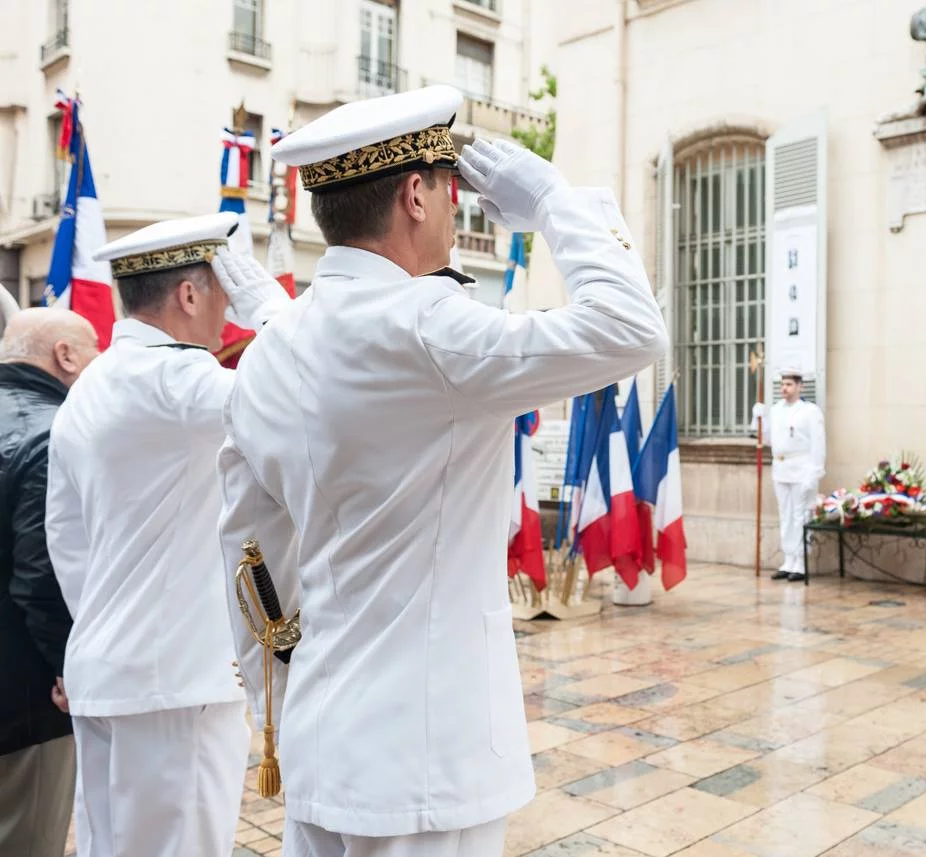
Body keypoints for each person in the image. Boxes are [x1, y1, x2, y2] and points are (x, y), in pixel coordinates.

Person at [216, 84, 668, 857]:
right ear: (415, 195)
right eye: (449, 190)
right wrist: (557, 201)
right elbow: (631, 329)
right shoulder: (428, 325)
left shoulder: (275, 348)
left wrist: (286, 691)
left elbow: (250, 556)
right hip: (425, 759)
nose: (458, 212)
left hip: (324, 737)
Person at [44, 212, 290, 857]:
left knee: (110, 846)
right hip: (173, 680)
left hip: (106, 666)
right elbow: (309, 397)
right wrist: (274, 310)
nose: (227, 314)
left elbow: (66, 542)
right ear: (189, 294)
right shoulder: (178, 376)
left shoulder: (92, 383)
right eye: (223, 291)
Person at [0, 307, 98, 857]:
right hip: (25, 702)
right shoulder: (51, 434)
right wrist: (71, 667)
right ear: (65, 356)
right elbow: (42, 581)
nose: (98, 365)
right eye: (93, 352)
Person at [752, 369, 825, 581]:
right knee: (785, 515)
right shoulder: (776, 410)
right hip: (781, 467)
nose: (784, 388)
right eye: (782, 384)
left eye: (789, 384)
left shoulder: (810, 411)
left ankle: (801, 563)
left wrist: (815, 471)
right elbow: (766, 439)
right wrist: (760, 418)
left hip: (802, 467)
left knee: (801, 515)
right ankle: (788, 560)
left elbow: (818, 444)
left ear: (800, 386)